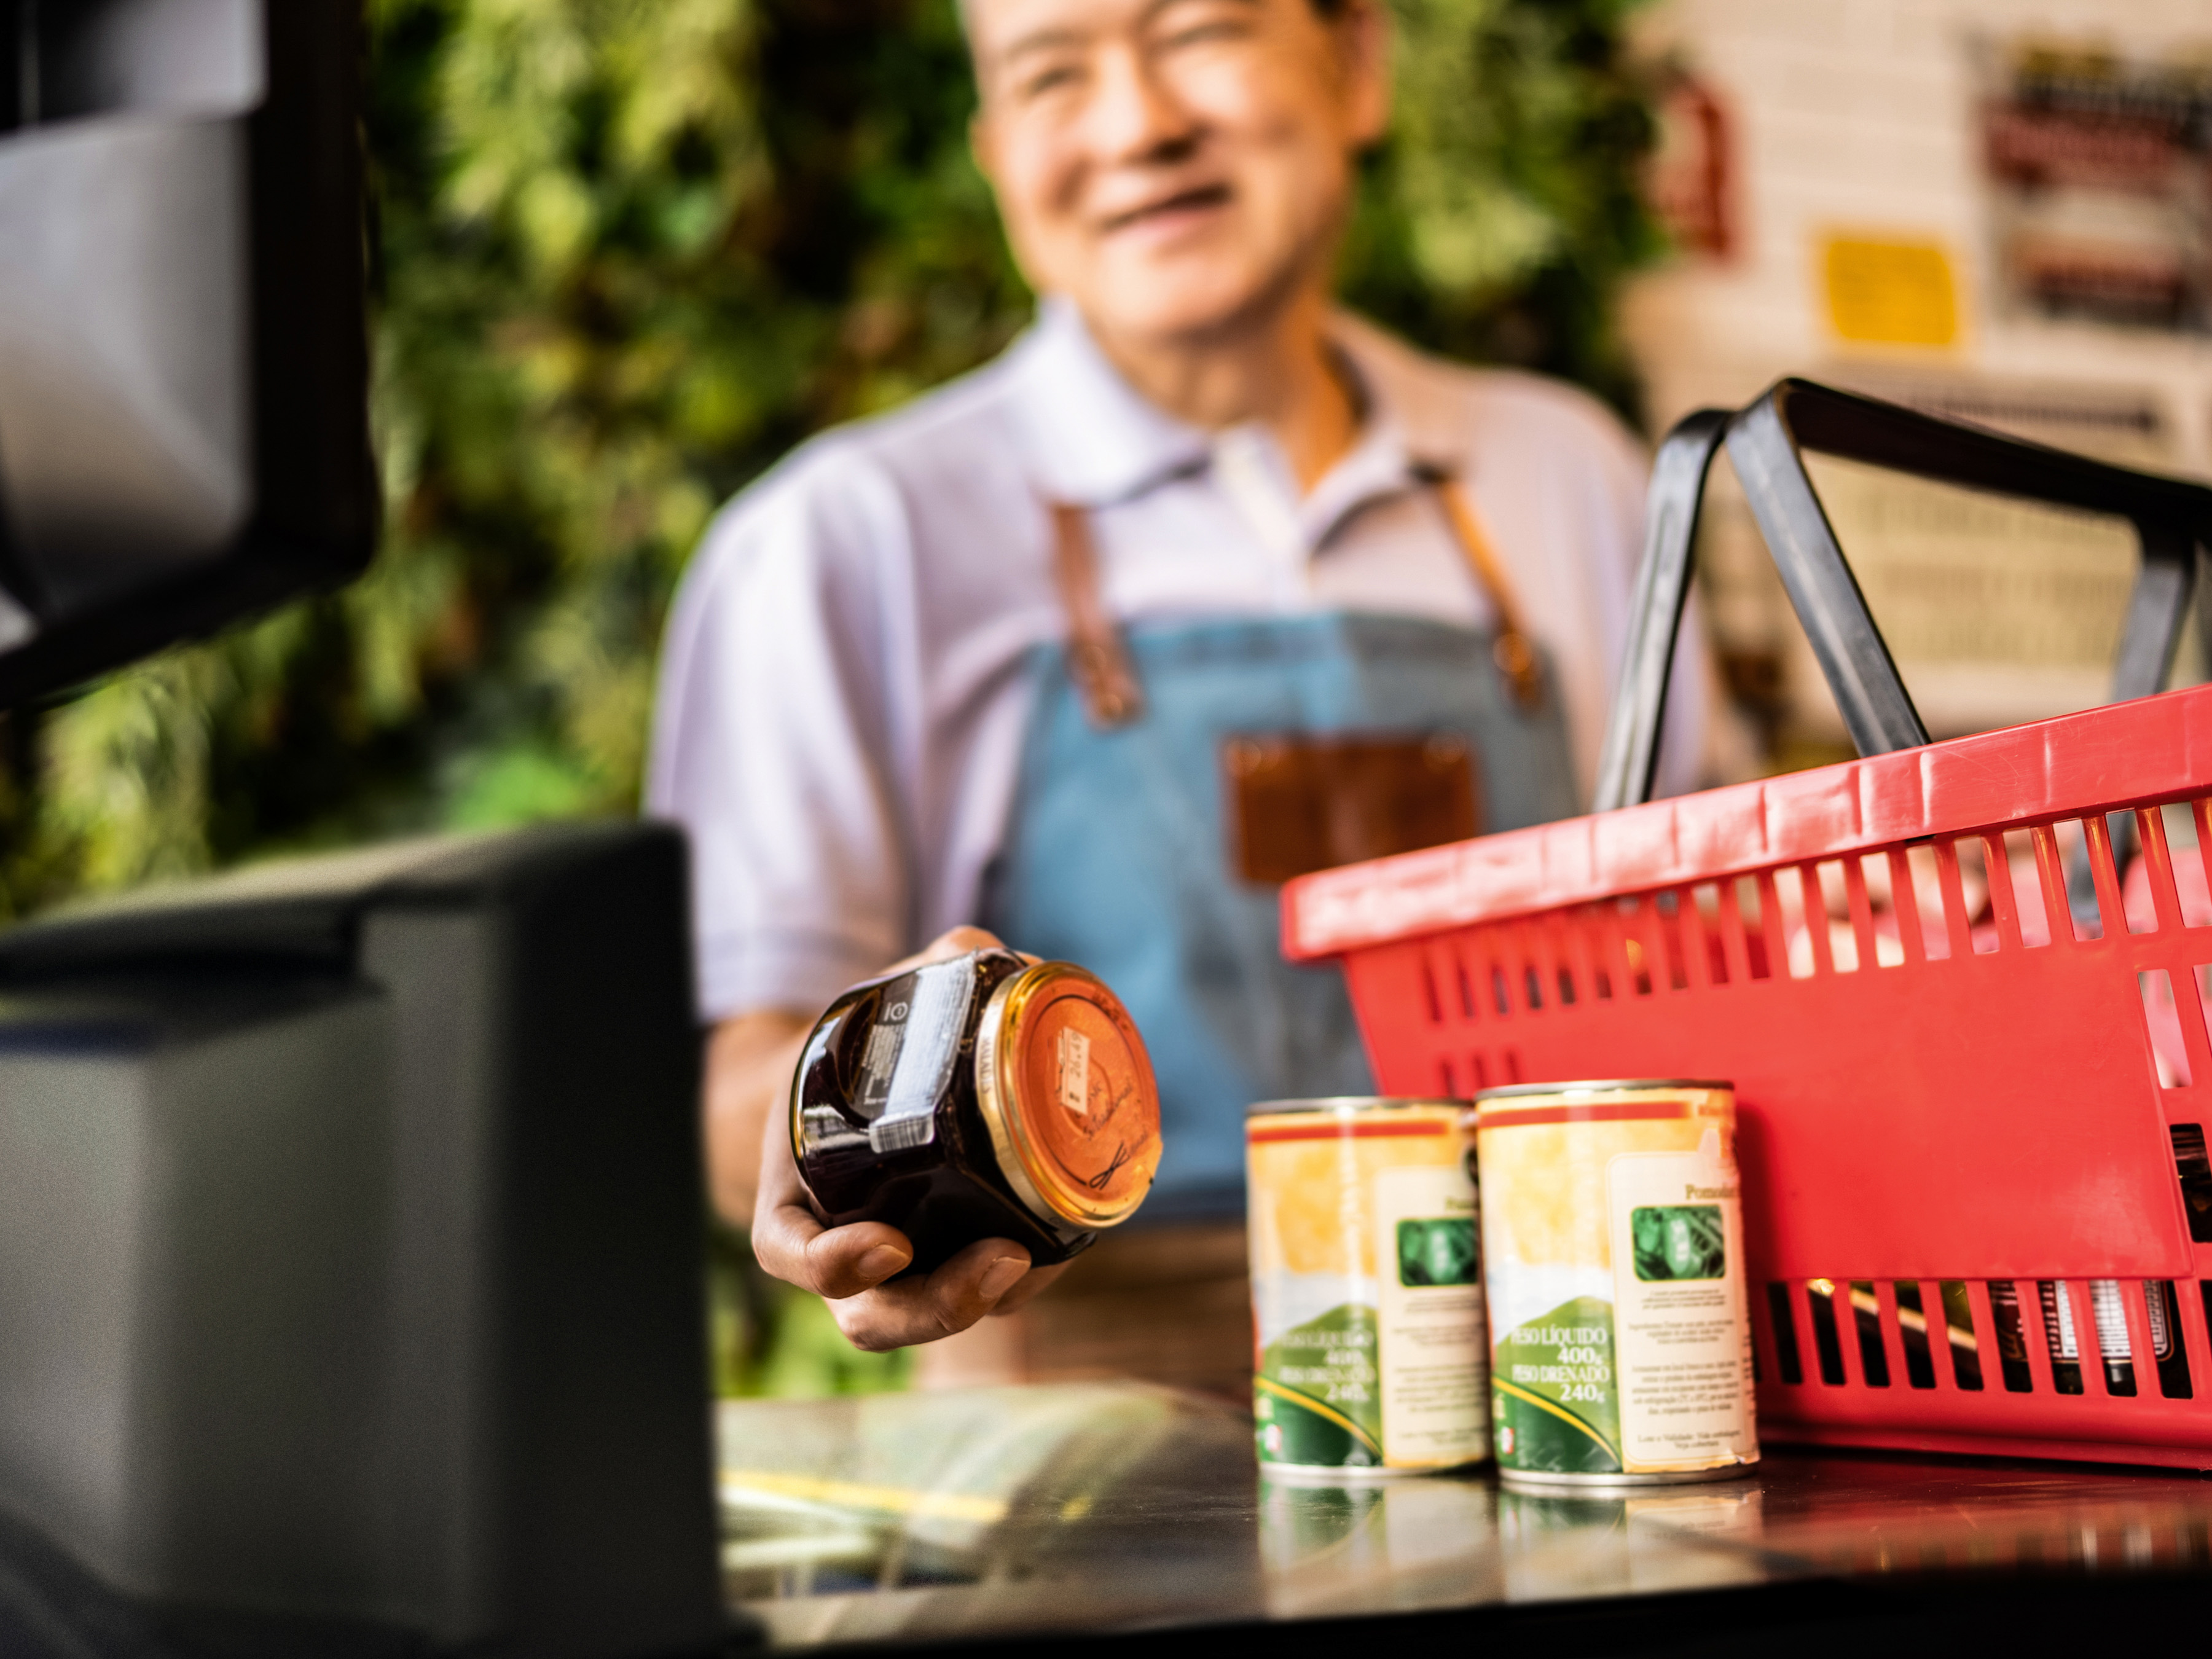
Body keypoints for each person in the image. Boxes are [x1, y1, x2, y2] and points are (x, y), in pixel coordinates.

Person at [647, 0, 1708, 1391]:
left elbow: (1708, 944)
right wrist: (826, 1144)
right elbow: (737, 1077)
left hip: (1576, 1380)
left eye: (1200, 29)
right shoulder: (844, 541)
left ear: (1359, 65)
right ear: (996, 156)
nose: (1137, 124)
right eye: (1051, 74)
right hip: (1092, 1470)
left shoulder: (1576, 479)